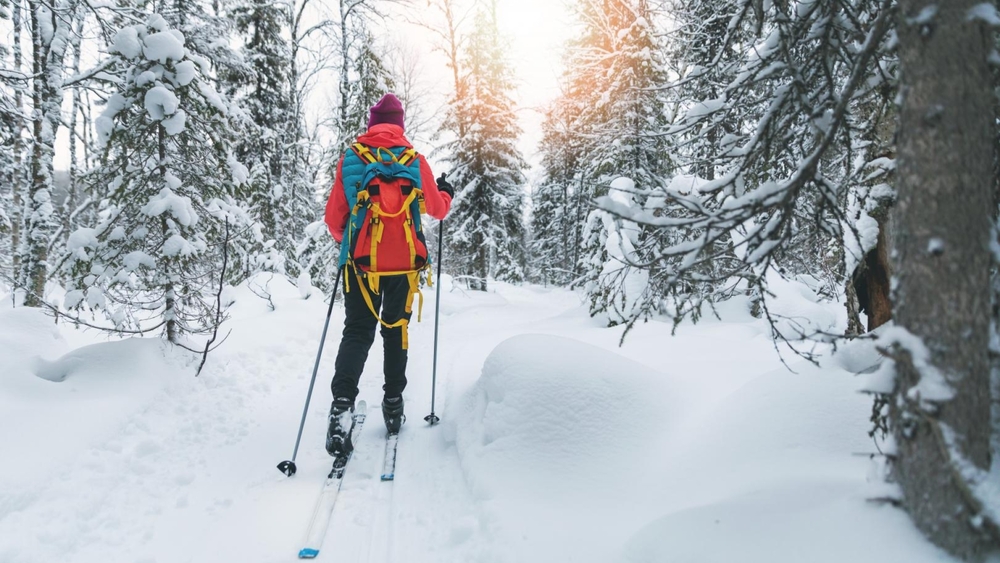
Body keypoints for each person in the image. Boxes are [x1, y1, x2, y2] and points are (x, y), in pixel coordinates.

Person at [323, 93, 453, 455]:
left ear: (371, 124)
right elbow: (438, 210)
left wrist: (350, 243)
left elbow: (334, 218)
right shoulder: (414, 160)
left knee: (357, 331)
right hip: (404, 266)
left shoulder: (353, 157)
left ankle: (341, 409)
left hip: (361, 265)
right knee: (396, 330)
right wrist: (445, 192)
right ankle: (393, 405)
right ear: (400, 126)